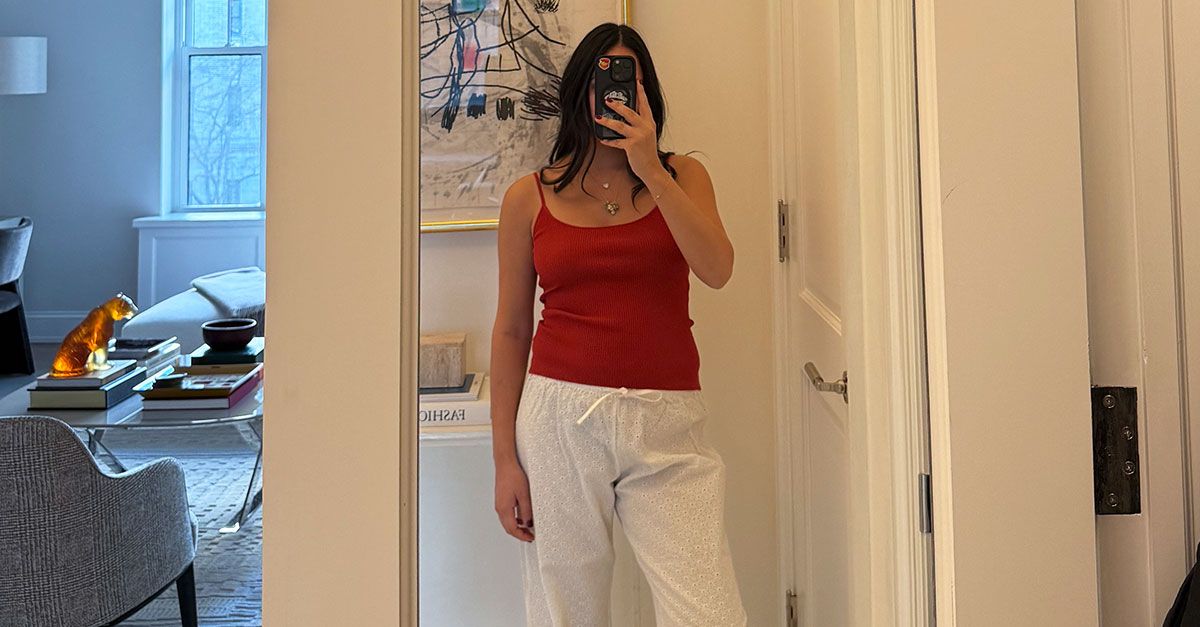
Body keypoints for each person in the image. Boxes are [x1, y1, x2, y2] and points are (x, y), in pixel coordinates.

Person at [489, 22, 747, 627]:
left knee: (708, 613)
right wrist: (504, 461)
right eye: (600, 79)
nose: (612, 93)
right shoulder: (528, 197)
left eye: (627, 79)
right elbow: (511, 330)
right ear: (578, 91)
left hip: (667, 420)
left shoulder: (682, 177)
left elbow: (717, 269)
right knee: (565, 612)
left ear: (646, 93)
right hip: (558, 421)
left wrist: (650, 169)